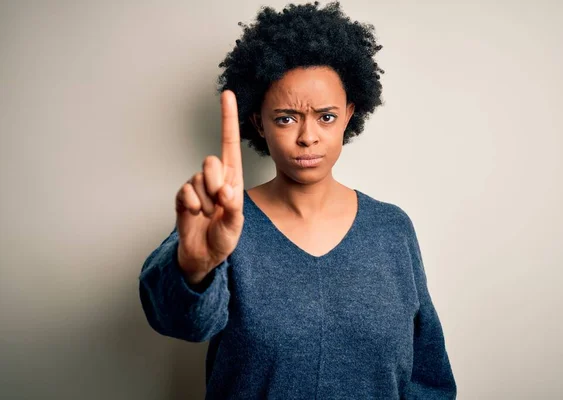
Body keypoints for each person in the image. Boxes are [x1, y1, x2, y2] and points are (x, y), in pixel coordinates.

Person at [138, 2, 457, 399]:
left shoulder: (391, 229)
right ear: (259, 122)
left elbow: (428, 377)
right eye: (286, 118)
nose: (308, 136)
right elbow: (180, 322)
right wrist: (194, 266)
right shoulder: (222, 221)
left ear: (349, 114)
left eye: (325, 116)